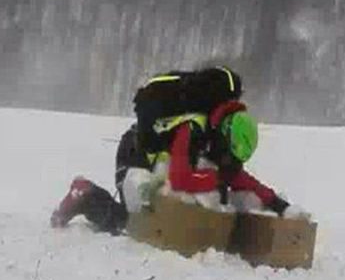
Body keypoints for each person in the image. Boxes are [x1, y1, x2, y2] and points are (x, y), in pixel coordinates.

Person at [50, 73, 297, 232]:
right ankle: (84, 194)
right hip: (135, 156)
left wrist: (278, 204)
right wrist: (219, 178)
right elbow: (180, 179)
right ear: (227, 134)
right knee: (133, 224)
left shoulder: (215, 133)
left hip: (159, 167)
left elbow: (238, 177)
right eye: (230, 155)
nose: (229, 161)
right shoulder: (192, 129)